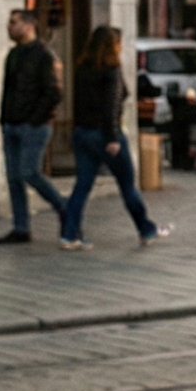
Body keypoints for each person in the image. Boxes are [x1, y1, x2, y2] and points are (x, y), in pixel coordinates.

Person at [60, 24, 167, 251]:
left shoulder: (82, 68)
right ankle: (146, 229)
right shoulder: (111, 71)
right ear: (113, 46)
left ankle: (69, 234)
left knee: (82, 185)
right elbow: (111, 106)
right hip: (104, 133)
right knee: (127, 184)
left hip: (82, 133)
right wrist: (112, 138)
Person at [0, 8, 66, 245]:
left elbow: (54, 92)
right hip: (12, 123)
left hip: (33, 125)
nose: (9, 27)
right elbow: (9, 90)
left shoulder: (44, 55)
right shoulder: (13, 54)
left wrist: (35, 117)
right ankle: (21, 227)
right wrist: (5, 119)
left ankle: (63, 207)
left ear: (29, 25)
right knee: (14, 178)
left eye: (14, 22)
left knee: (29, 172)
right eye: (9, 22)